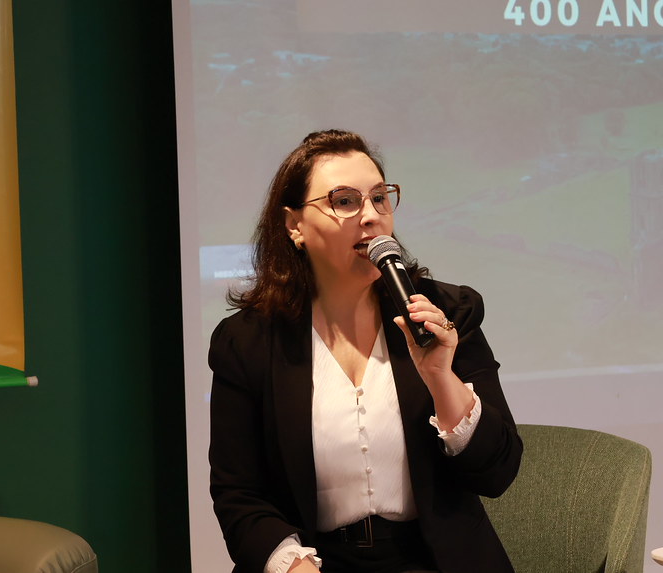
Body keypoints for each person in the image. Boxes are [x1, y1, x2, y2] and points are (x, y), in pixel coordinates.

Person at [208, 129, 522, 573]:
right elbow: (239, 495)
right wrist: (293, 566)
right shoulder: (248, 341)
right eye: (344, 201)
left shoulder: (445, 312)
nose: (371, 216)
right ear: (295, 226)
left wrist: (441, 377)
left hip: (434, 560)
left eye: (379, 198)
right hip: (313, 562)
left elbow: (497, 472)